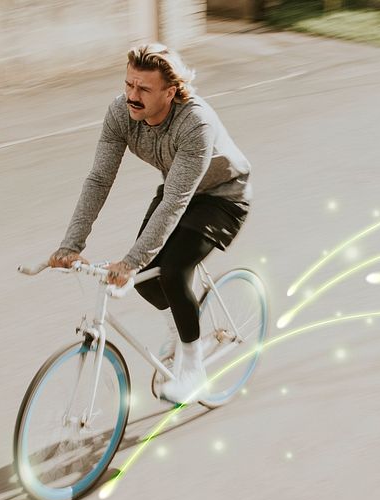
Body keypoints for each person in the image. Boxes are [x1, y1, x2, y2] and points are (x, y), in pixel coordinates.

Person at [49, 43, 252, 404]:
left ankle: (194, 369)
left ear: (170, 92)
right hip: (178, 187)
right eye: (129, 84)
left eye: (143, 89)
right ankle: (185, 330)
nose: (132, 95)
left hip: (222, 198)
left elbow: (175, 202)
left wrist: (130, 261)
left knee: (171, 271)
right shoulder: (120, 113)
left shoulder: (195, 123)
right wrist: (71, 244)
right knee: (147, 282)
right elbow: (99, 180)